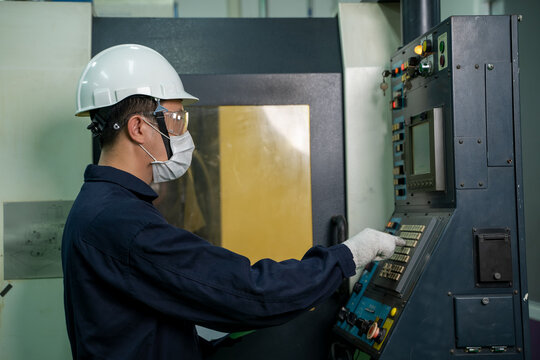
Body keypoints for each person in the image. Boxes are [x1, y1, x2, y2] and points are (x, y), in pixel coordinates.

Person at [61, 44, 404, 360]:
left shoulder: (100, 208)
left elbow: (143, 332)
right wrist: (349, 255)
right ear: (138, 127)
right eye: (177, 120)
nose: (184, 135)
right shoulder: (122, 222)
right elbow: (251, 292)